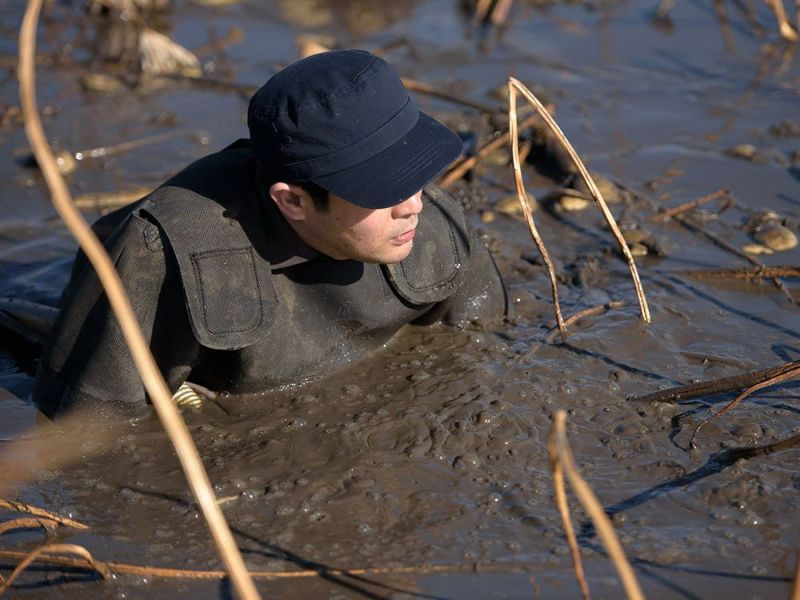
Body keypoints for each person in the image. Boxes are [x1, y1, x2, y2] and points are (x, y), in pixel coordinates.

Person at [33, 49, 507, 419]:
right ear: (293, 201)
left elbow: (485, 341)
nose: (412, 205)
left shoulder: (423, 214)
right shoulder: (162, 254)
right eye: (381, 190)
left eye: (412, 172)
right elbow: (90, 430)